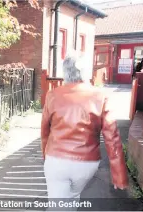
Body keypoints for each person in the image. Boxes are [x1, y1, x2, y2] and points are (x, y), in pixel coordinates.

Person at [41, 53, 128, 211]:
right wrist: (119, 174)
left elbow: (45, 131)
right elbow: (112, 138)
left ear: (65, 71)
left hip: (56, 161)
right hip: (86, 164)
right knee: (72, 200)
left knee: (57, 207)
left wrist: (45, 155)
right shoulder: (100, 96)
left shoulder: (52, 95)